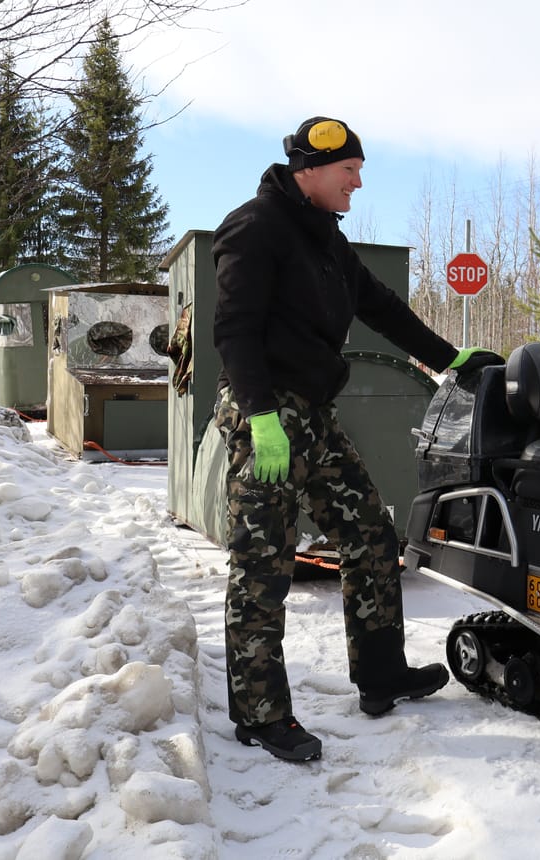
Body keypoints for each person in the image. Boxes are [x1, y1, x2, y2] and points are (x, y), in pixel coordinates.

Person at [212, 116, 494, 762]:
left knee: (369, 533)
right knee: (264, 567)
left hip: (312, 412)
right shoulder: (255, 229)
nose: (358, 183)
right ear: (310, 169)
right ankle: (260, 714)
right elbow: (234, 330)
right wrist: (259, 418)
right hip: (268, 416)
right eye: (350, 171)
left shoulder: (328, 242)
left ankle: (380, 673)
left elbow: (382, 308)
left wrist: (449, 359)